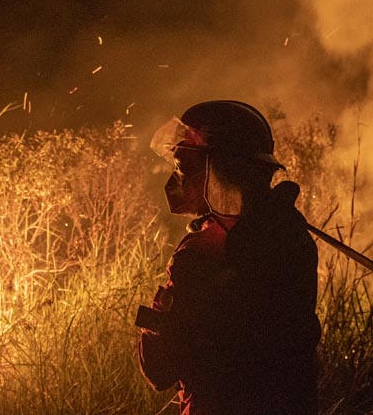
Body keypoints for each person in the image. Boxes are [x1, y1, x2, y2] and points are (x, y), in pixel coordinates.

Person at [136, 100, 321, 415]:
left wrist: (154, 321)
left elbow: (160, 369)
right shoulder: (291, 237)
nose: (177, 178)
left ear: (218, 170)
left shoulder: (201, 253)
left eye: (183, 166)